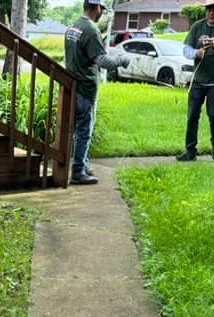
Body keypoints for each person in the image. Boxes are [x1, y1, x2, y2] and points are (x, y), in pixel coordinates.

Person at [64, 0, 130, 185]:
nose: (101, 12)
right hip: (85, 89)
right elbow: (102, 61)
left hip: (73, 85)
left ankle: (82, 165)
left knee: (78, 130)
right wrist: (121, 60)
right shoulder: (91, 30)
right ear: (97, 8)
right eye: (101, 9)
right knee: (84, 131)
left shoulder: (73, 27)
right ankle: (78, 171)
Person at [177, 0, 214, 162]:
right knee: (192, 116)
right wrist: (196, 53)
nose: (211, 13)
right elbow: (186, 49)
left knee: (213, 116)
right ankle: (190, 152)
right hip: (198, 81)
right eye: (208, 10)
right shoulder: (198, 26)